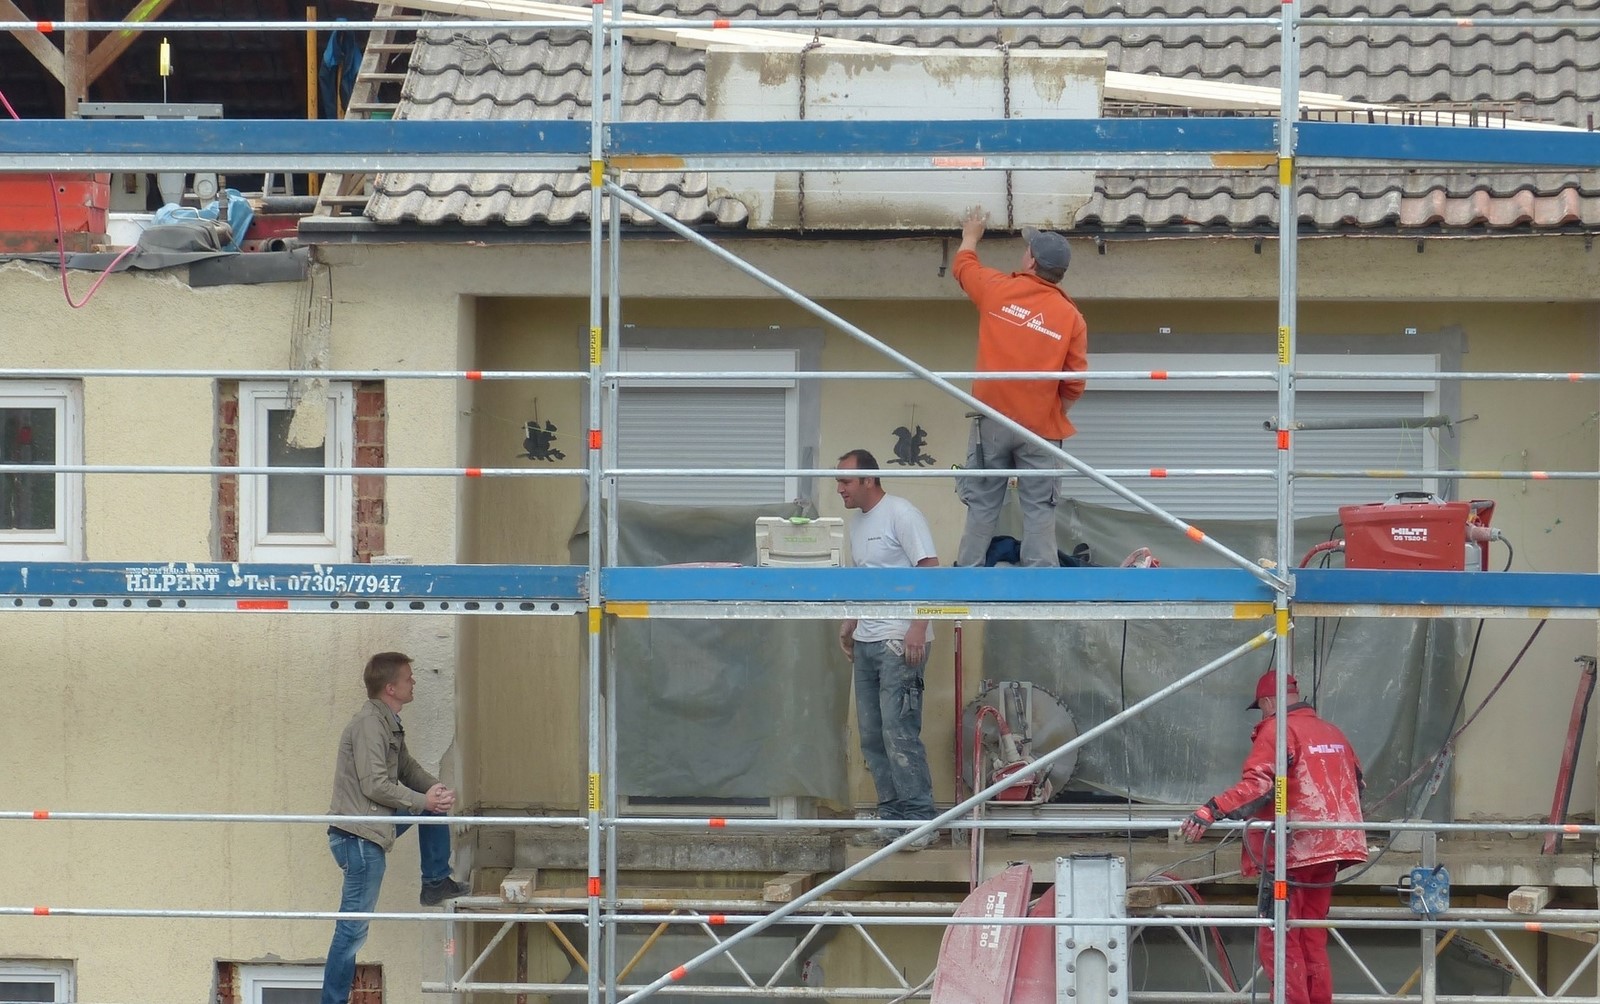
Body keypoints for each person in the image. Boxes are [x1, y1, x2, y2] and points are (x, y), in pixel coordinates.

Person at [1181, 670, 1368, 1004]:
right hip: (1331, 852)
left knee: (1278, 937)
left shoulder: (1278, 729)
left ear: (1268, 701)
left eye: (1262, 708)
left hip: (1291, 856)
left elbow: (1260, 785)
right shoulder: (1333, 732)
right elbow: (1358, 784)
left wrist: (1211, 809)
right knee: (1311, 935)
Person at [322, 652, 467, 1004]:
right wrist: (424, 800)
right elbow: (374, 784)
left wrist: (436, 792)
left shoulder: (388, 722)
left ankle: (435, 882)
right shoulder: (370, 724)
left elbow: (408, 768)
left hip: (373, 825)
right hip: (359, 837)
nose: (413, 682)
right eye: (408, 678)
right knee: (352, 930)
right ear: (391, 687)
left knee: (429, 807)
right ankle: (332, 1001)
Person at [951, 206, 1089, 569]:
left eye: (1027, 248)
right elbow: (1074, 382)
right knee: (1039, 507)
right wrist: (1052, 411)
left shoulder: (999, 291)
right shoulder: (1070, 316)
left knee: (982, 502)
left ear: (1031, 261)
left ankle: (968, 574)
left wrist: (971, 236)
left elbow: (964, 269)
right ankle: (1040, 579)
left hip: (992, 421)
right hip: (1041, 428)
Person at [835, 449, 940, 850]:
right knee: (873, 735)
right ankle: (892, 820)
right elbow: (867, 579)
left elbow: (929, 569)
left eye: (845, 481)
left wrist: (918, 625)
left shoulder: (901, 513)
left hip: (900, 640)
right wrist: (852, 619)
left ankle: (918, 822)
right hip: (867, 640)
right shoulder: (855, 523)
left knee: (900, 732)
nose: (840, 489)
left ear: (868, 480)